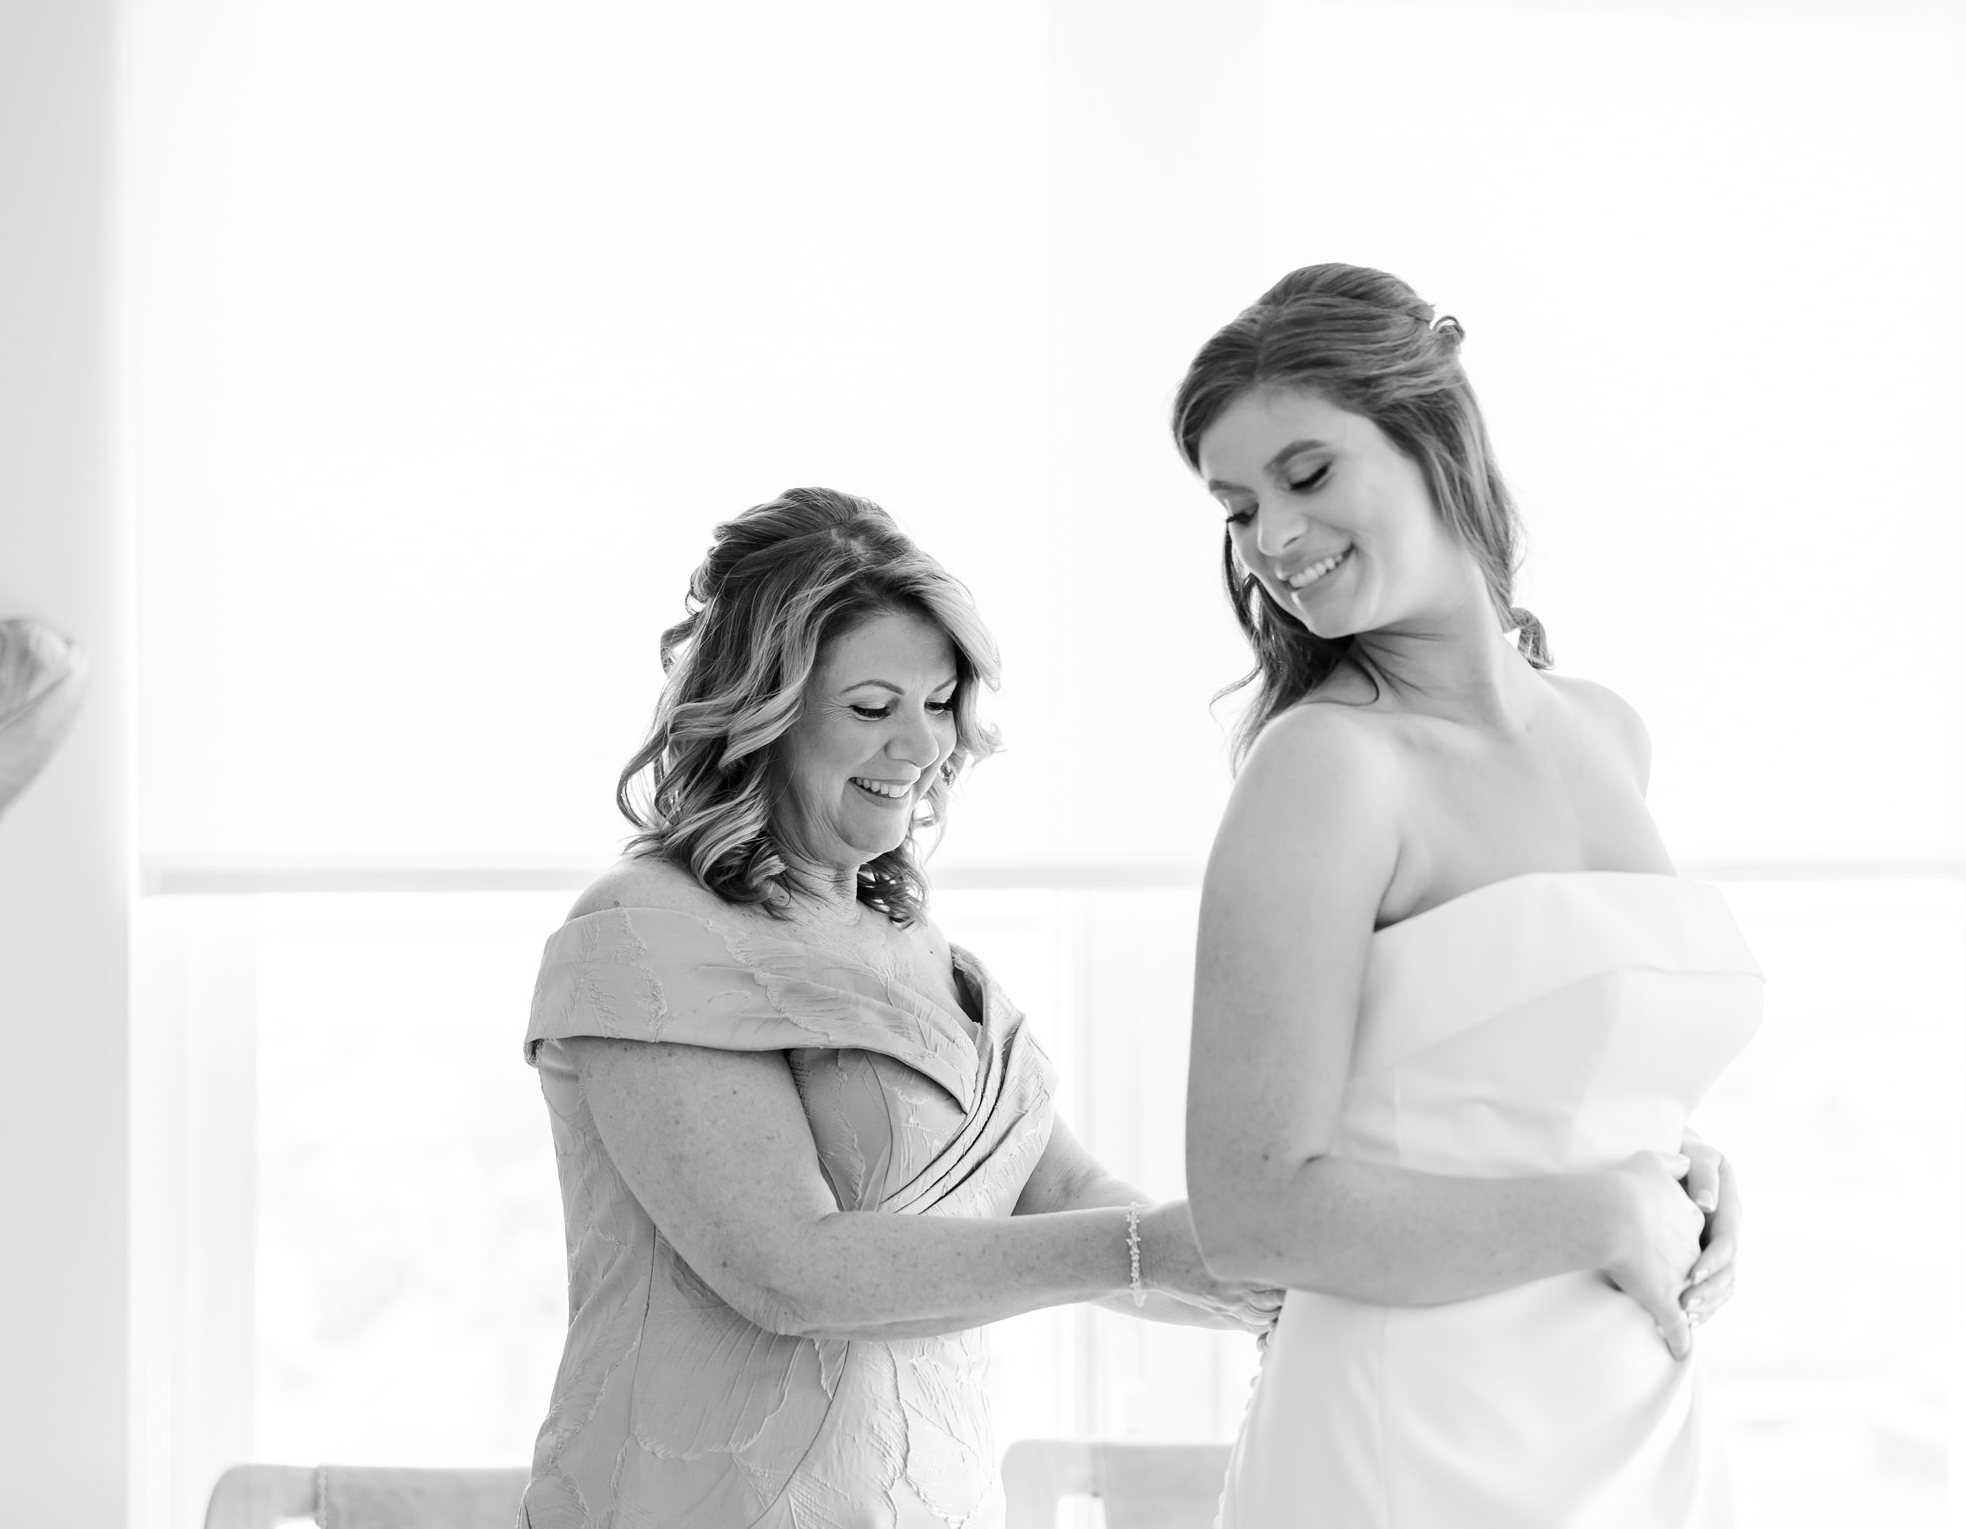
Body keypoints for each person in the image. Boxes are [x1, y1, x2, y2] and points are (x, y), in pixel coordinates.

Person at [518, 487, 1277, 1529]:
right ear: (765, 711)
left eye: (938, 704)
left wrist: (1268, 1279)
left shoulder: (927, 955)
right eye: (874, 708)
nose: (919, 747)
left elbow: (1066, 1197)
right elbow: (789, 1267)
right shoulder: (646, 930)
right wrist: (1146, 1249)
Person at [1177, 263, 1762, 1527]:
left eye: (1308, 473)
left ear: (1434, 438)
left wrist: (1677, 1175)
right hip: (1419, 1442)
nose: (1272, 538)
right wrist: (1601, 1208)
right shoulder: (1327, 767)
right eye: (1236, 506)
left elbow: (1522, 1090)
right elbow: (1250, 1207)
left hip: (1636, 1418)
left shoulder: (1608, 732)